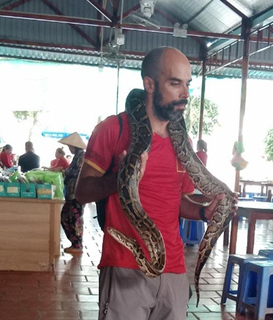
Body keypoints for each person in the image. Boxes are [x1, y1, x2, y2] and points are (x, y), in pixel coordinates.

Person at [75, 47, 236, 320]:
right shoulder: (114, 129)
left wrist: (202, 211)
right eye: (175, 83)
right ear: (149, 84)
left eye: (187, 84)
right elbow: (81, 193)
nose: (184, 93)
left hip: (173, 268)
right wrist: (122, 178)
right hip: (126, 265)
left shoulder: (181, 142)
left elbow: (176, 200)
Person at [58, 132, 86, 254]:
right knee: (67, 217)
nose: (69, 149)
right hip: (72, 193)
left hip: (77, 193)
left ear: (74, 146)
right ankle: (75, 243)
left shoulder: (81, 156)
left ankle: (77, 245)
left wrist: (65, 172)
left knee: (74, 218)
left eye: (70, 146)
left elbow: (77, 173)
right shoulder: (78, 156)